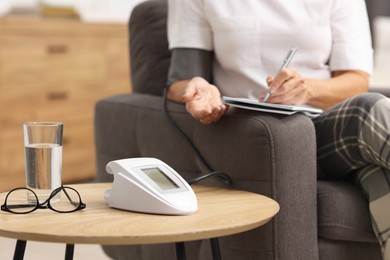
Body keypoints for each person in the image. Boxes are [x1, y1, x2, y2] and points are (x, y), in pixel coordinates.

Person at [166, 0, 390, 258]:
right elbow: (180, 80)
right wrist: (199, 89)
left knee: (379, 174)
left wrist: (308, 89)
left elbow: (356, 82)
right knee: (369, 112)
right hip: (252, 132)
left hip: (329, 130)